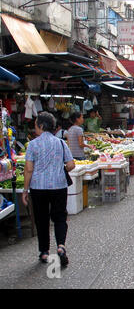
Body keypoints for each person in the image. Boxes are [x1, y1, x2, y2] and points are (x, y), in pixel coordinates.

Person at [22, 112, 75, 266]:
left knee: (41, 218)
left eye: (36, 125)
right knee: (59, 217)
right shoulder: (60, 143)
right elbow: (71, 164)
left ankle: (44, 252)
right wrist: (60, 170)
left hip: (38, 187)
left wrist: (25, 190)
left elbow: (28, 169)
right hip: (59, 186)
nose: (35, 128)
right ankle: (61, 247)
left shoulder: (33, 144)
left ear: (41, 126)